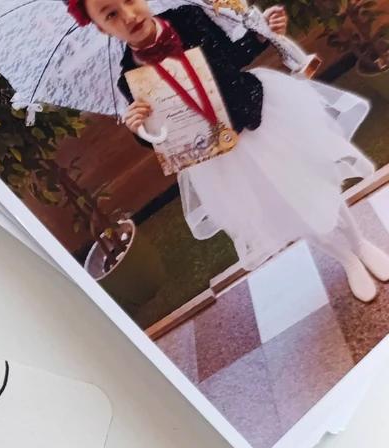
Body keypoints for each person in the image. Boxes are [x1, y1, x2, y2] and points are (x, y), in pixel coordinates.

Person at [71, 0, 389, 302]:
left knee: (316, 183)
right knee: (286, 208)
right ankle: (347, 259)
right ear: (101, 28)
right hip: (222, 157)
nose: (127, 16)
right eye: (110, 15)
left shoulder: (188, 18)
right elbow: (158, 137)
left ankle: (360, 243)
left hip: (261, 119)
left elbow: (233, 56)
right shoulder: (130, 78)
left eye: (128, 0)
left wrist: (262, 34)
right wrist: (138, 127)